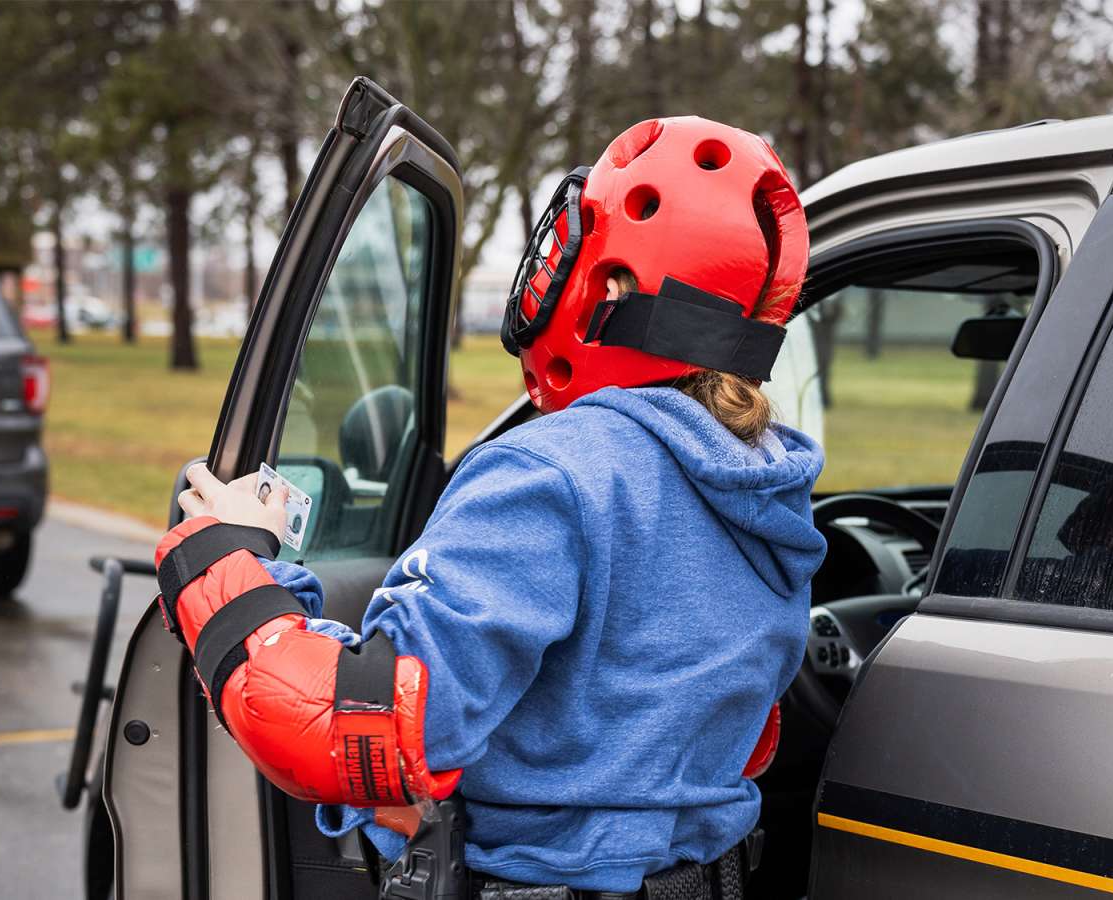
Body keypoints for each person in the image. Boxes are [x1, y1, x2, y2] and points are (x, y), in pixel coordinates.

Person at [154, 116, 826, 898]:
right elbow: (679, 731)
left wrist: (224, 563)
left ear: (609, 287)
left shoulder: (547, 474)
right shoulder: (769, 486)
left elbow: (348, 734)